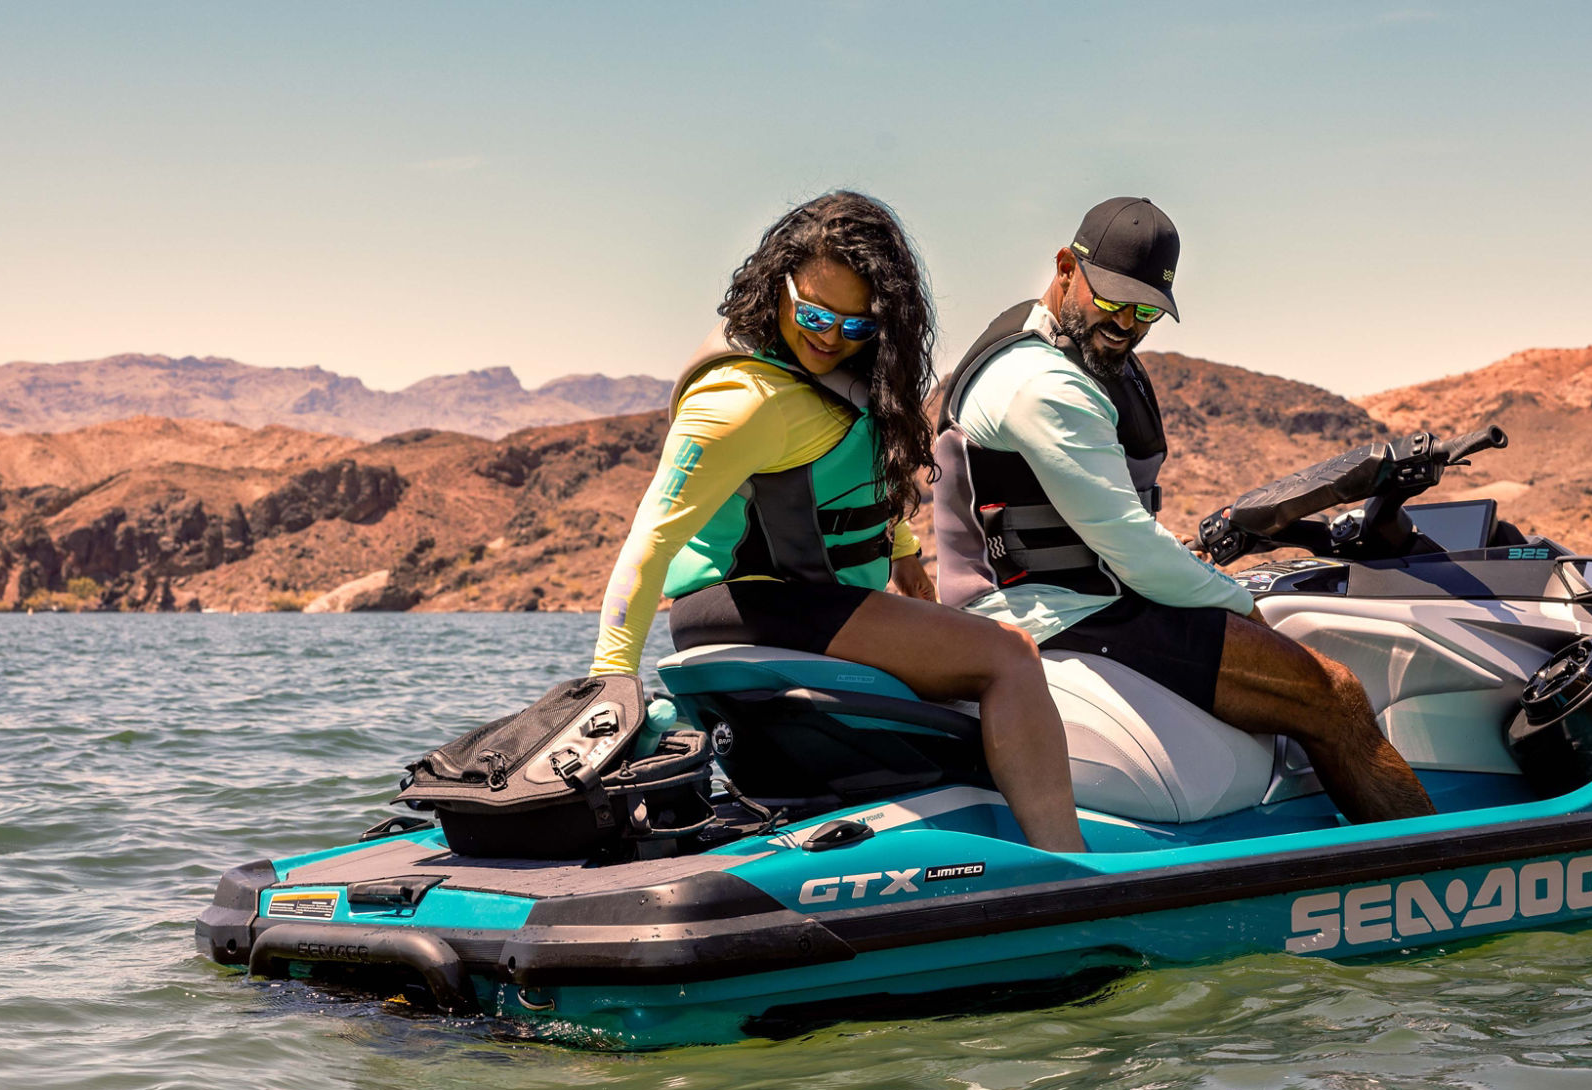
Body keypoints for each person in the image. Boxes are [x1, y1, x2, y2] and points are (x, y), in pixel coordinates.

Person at [591, 191, 1085, 852]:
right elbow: (649, 542)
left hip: (809, 599)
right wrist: (608, 697)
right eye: (815, 313)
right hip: (754, 603)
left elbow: (850, 486)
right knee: (1010, 656)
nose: (830, 338)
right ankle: (1067, 865)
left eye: (857, 326)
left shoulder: (842, 372)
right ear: (777, 284)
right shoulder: (740, 401)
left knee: (982, 646)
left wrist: (904, 552)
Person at [932, 196, 1435, 823]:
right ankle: (1436, 874)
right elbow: (1132, 548)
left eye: (1147, 310)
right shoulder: (1042, 384)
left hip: (1089, 598)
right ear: (1066, 267)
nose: (1128, 324)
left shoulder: (1059, 352)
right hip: (1058, 616)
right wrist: (1239, 601)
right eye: (1114, 301)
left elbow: (1112, 529)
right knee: (1334, 694)